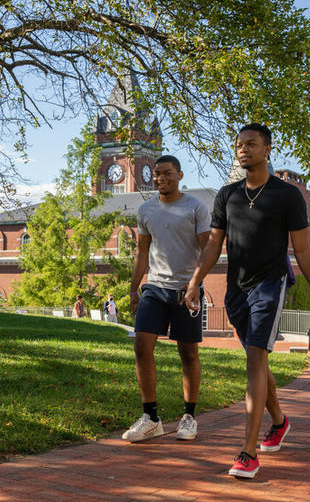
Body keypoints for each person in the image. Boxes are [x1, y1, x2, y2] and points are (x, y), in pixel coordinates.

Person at [184, 123, 310, 479]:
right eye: (239, 145)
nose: (243, 149)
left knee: (254, 359)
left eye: (251, 144)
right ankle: (279, 422)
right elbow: (213, 245)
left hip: (271, 283)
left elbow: (303, 252)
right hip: (236, 287)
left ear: (268, 149)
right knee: (257, 357)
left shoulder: (286, 196)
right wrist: (194, 282)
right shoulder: (227, 195)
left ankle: (248, 453)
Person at [123, 155, 211, 443]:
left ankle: (189, 417)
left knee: (188, 354)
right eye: (157, 174)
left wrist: (196, 284)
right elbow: (141, 253)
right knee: (141, 345)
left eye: (167, 174)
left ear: (180, 175)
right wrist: (135, 288)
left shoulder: (196, 207)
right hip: (155, 288)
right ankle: (151, 418)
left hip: (186, 290)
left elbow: (207, 251)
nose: (161, 178)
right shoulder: (146, 210)